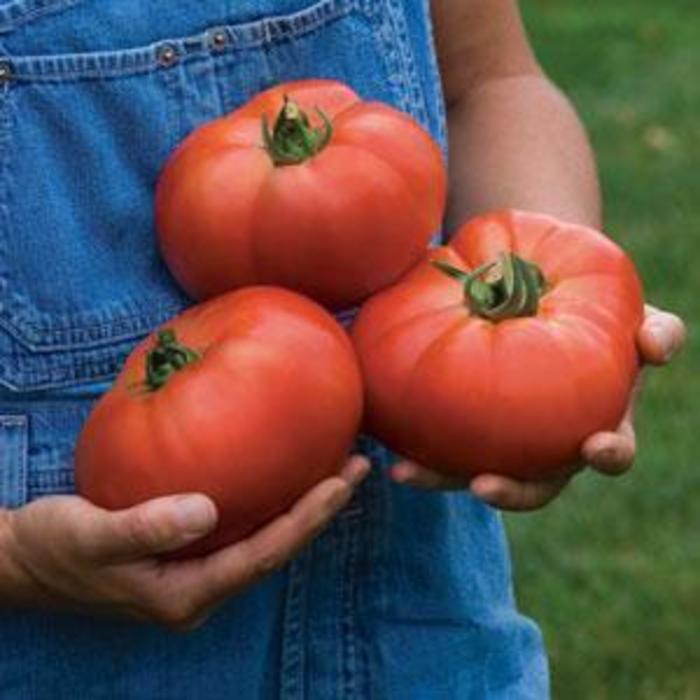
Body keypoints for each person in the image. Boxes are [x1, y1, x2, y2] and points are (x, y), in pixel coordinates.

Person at [0, 1, 685, 697]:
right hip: (71, 664)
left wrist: (561, 309)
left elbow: (491, 84)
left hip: (423, 639)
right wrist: (16, 560)